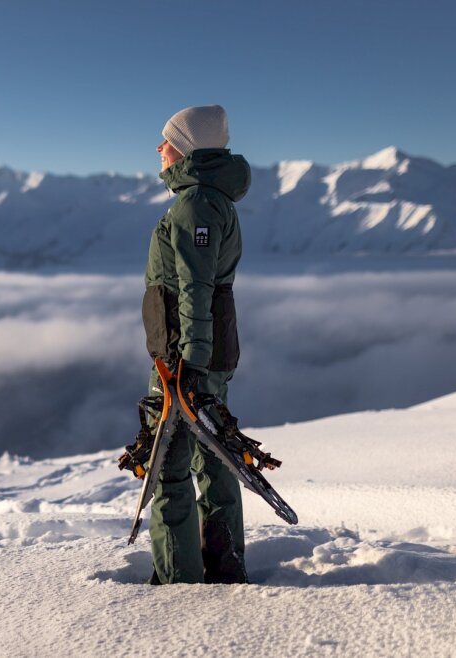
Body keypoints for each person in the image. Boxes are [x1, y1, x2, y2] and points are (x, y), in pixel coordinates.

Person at [141, 104, 251, 584]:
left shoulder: (195, 206)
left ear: (186, 147)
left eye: (165, 141)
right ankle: (225, 569)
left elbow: (194, 287)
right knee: (216, 459)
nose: (159, 149)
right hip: (201, 352)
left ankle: (177, 583)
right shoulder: (210, 200)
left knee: (167, 466)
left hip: (182, 357)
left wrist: (190, 364)